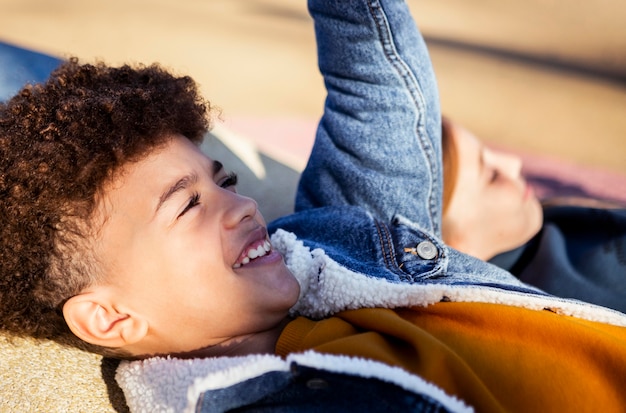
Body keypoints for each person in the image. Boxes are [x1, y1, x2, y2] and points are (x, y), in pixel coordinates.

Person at [2, 0, 626, 411]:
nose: (242, 204)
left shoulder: (332, 248)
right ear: (112, 320)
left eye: (223, 181)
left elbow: (376, 97)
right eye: (187, 206)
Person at [440, 116, 626, 313]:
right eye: (492, 177)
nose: (514, 163)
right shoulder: (557, 308)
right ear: (452, 248)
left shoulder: (555, 218)